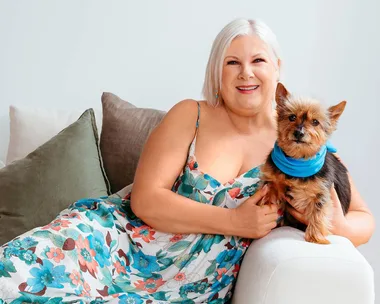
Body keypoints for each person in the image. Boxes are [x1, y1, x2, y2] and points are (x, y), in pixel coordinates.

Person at [0, 18, 374, 303]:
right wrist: (234, 221)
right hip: (113, 243)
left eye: (257, 60)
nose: (246, 72)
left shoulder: (302, 142)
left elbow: (364, 221)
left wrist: (335, 224)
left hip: (187, 281)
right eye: (232, 62)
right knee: (12, 275)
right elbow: (146, 200)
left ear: (276, 67)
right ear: (217, 71)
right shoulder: (190, 115)